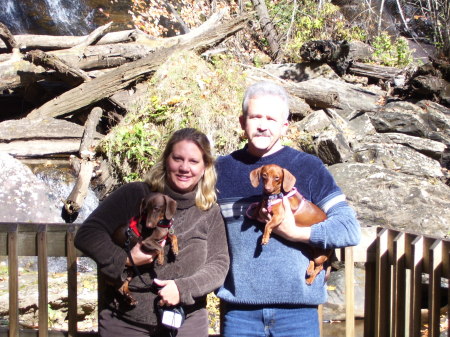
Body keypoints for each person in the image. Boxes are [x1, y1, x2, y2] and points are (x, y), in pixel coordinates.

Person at [215, 81, 361, 337]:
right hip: (239, 314)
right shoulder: (220, 170)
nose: (262, 125)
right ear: (242, 122)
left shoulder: (308, 167)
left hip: (298, 315)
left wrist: (296, 233)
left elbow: (349, 229)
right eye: (255, 117)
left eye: (271, 118)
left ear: (285, 125)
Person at [75, 128, 229, 337]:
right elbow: (88, 234)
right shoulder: (136, 195)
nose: (184, 167)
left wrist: (183, 289)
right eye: (177, 159)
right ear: (166, 160)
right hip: (126, 320)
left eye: (193, 161)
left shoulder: (209, 211)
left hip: (185, 322)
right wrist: (125, 260)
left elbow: (219, 264)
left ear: (205, 167)